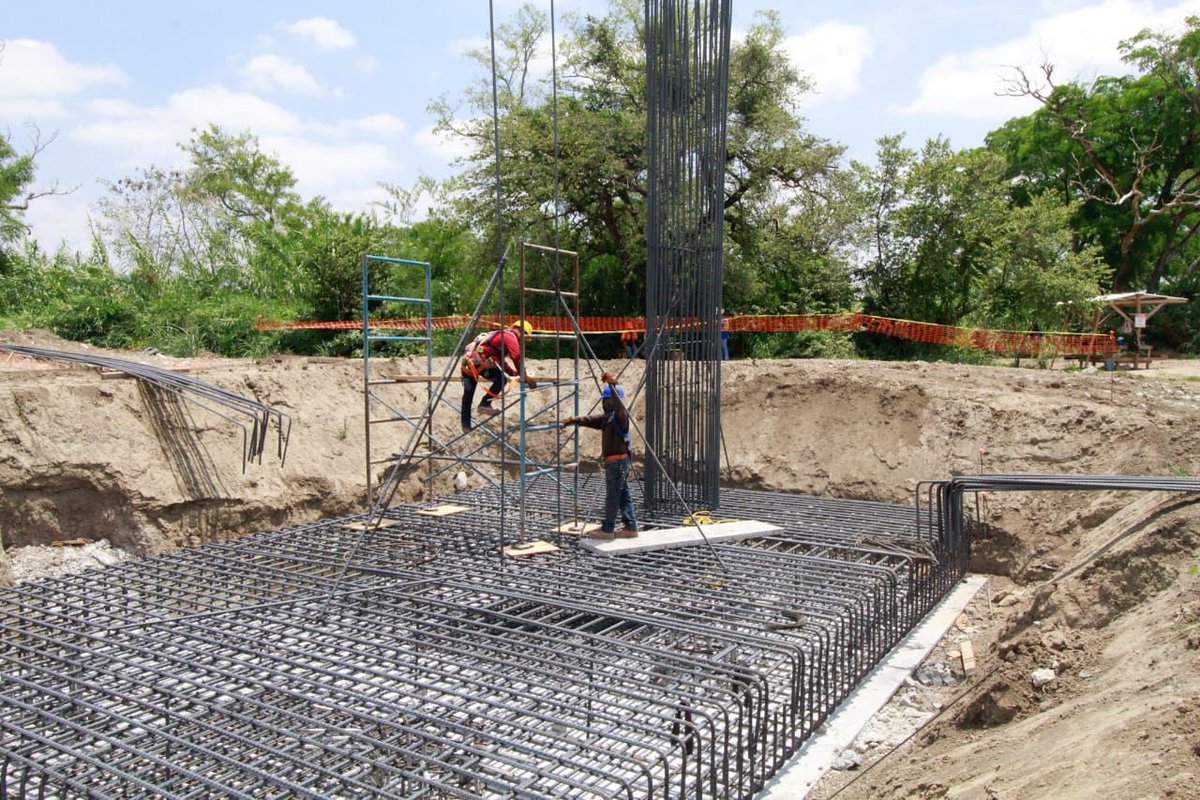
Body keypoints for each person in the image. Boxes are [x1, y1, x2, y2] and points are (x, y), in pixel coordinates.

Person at [561, 371, 638, 539]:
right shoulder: (607, 418)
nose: (603, 403)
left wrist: (612, 384)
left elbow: (618, 403)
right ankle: (630, 527)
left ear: (611, 400)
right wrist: (572, 420)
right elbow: (588, 420)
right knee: (623, 494)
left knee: (613, 496)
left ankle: (608, 530)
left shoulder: (620, 415)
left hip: (618, 463)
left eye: (605, 400)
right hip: (616, 463)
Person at [460, 320, 531, 432]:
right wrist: (524, 375)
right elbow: (517, 357)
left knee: (468, 394)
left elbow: (502, 362)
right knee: (501, 379)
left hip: (469, 364)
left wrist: (514, 373)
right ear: (523, 332)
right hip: (479, 364)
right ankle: (484, 404)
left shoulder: (501, 335)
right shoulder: (510, 337)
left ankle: (466, 425)